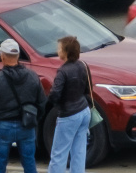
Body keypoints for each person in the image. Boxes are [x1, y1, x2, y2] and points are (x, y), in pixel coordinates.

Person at [0, 40, 44, 173]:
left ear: (2, 56)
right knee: (29, 162)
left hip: (3, 125)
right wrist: (34, 120)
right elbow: (42, 103)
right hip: (26, 125)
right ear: (18, 56)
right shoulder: (33, 76)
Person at [45, 35, 94, 173]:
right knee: (79, 151)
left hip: (68, 115)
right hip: (84, 111)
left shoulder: (62, 71)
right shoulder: (83, 65)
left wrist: (55, 103)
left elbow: (55, 94)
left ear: (65, 52)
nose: (57, 50)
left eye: (59, 48)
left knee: (59, 154)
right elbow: (87, 89)